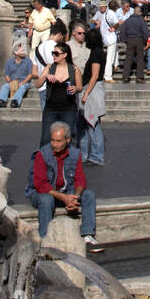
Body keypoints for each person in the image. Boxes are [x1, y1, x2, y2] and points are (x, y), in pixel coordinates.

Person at [27, 122, 101, 251]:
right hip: (43, 194)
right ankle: (45, 239)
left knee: (89, 195)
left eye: (58, 141)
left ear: (67, 140)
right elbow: (40, 184)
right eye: (52, 140)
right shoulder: (42, 154)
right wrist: (63, 197)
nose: (54, 144)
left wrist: (75, 197)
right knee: (46, 200)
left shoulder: (75, 153)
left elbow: (80, 179)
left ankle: (88, 235)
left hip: (67, 191)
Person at [40, 42, 81, 149]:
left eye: (56, 53)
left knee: (69, 138)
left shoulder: (74, 69)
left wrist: (75, 88)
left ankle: (69, 162)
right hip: (51, 108)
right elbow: (37, 84)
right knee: (46, 138)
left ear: (64, 55)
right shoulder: (49, 67)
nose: (53, 55)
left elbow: (80, 87)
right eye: (52, 53)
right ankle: (44, 162)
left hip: (69, 108)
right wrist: (45, 76)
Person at [78, 28, 106, 165]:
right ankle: (92, 154)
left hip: (92, 90)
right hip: (95, 89)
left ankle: (97, 155)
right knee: (89, 123)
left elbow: (94, 75)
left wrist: (86, 93)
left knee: (92, 123)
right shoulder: (100, 52)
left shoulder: (95, 54)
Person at [118, 2, 149, 84]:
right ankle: (139, 77)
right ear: (139, 13)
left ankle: (125, 77)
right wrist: (144, 41)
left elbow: (122, 31)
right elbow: (146, 32)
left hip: (129, 40)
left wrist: (124, 40)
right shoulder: (141, 20)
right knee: (140, 59)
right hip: (139, 40)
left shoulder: (127, 21)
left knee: (128, 59)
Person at [0, 41, 33, 108]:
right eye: (21, 50)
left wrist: (22, 82)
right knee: (5, 86)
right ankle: (1, 100)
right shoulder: (9, 62)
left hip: (24, 82)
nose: (24, 52)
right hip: (13, 81)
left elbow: (30, 75)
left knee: (22, 87)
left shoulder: (28, 61)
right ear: (16, 52)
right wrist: (11, 82)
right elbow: (7, 76)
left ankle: (15, 101)